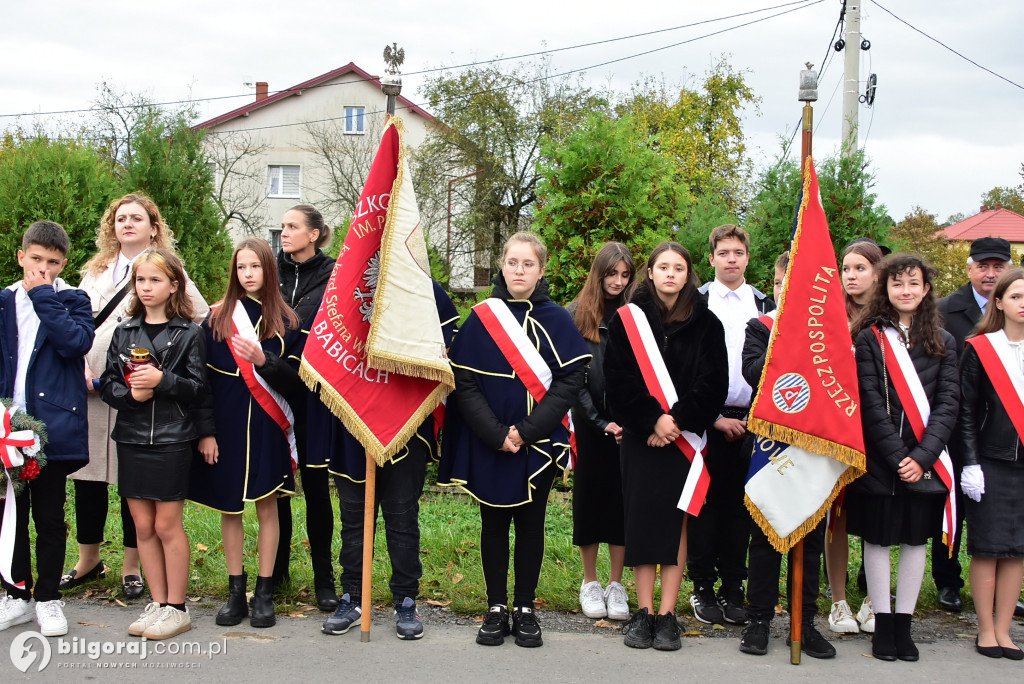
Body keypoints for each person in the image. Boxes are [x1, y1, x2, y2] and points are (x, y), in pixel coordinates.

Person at [439, 231, 590, 648]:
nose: (519, 270)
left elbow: (570, 380)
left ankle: (524, 607)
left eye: (528, 264)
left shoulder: (557, 318)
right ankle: (495, 606)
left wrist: (525, 432)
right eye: (512, 262)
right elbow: (462, 381)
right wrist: (495, 434)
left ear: (541, 270)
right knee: (492, 523)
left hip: (536, 442)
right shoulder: (481, 317)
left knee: (530, 523)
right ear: (501, 266)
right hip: (489, 439)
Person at [65, 194, 208, 600]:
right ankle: (87, 559)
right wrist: (81, 365)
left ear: (153, 226)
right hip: (94, 384)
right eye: (120, 218)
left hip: (151, 395)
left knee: (137, 487)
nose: (127, 224)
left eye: (136, 218)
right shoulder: (94, 271)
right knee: (88, 476)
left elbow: (197, 316)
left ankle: (132, 566)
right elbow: (75, 321)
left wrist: (162, 372)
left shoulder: (163, 267)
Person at [606, 241, 728, 651]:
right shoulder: (628, 320)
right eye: (663, 267)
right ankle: (643, 613)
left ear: (688, 273)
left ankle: (668, 614)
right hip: (642, 440)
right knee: (642, 522)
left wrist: (674, 421)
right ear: (651, 272)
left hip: (684, 439)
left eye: (679, 267)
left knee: (676, 524)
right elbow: (618, 382)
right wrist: (650, 420)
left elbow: (714, 386)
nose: (671, 273)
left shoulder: (708, 323)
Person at [321, 281, 459, 640]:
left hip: (406, 424)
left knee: (401, 517)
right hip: (356, 421)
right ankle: (352, 597)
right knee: (353, 520)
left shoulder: (423, 287)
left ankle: (406, 600)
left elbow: (448, 348)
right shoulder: (347, 282)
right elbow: (328, 348)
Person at [847, 253, 959, 662]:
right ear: (885, 289)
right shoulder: (868, 338)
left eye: (913, 283)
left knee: (915, 543)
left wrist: (924, 456)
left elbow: (949, 404)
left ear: (926, 289)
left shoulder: (943, 342)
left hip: (926, 462)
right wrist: (898, 457)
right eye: (897, 284)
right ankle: (882, 625)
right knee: (876, 541)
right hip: (881, 462)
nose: (905, 290)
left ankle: (904, 627)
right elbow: (870, 404)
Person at [189, 238, 303, 629]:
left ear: (268, 270)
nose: (248, 274)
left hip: (269, 430)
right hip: (227, 428)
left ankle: (265, 590)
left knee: (268, 507)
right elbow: (201, 384)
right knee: (230, 508)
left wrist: (264, 361)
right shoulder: (217, 319)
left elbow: (297, 386)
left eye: (255, 267)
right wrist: (205, 432)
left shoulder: (287, 322)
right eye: (241, 268)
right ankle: (236, 590)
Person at [100, 250, 207, 640]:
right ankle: (158, 603)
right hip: (130, 438)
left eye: (155, 280)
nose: (146, 288)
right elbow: (108, 383)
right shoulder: (124, 331)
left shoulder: (189, 332)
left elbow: (197, 387)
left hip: (171, 439)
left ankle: (178, 608)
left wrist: (162, 381)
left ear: (174, 285)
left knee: (166, 524)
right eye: (141, 280)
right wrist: (131, 397)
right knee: (141, 525)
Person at [737, 252, 835, 659]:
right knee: (765, 537)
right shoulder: (760, 327)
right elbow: (753, 372)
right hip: (769, 448)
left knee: (808, 541)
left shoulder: (828, 334)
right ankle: (758, 619)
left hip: (813, 448)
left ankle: (804, 621)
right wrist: (789, 337)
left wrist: (807, 336)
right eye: (781, 284)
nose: (786, 291)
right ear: (775, 286)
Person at [0, 221, 94, 637]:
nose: (42, 269)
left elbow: (74, 343)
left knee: (50, 517)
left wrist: (43, 296)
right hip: (7, 425)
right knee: (9, 516)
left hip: (50, 427)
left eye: (52, 263)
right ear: (20, 256)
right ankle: (16, 593)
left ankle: (49, 598)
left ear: (63, 264)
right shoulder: (3, 302)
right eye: (35, 260)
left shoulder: (72, 299)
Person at [688, 224, 774, 625]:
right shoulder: (696, 300)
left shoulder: (764, 304)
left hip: (753, 420)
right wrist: (714, 418)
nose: (731, 259)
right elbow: (685, 367)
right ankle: (702, 587)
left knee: (742, 509)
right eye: (723, 253)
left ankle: (733, 588)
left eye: (738, 252)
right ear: (711, 258)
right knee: (704, 507)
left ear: (748, 257)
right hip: (708, 420)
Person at [934, 236, 1012, 613]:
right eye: (984, 265)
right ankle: (947, 582)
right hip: (950, 426)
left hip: (1000, 431)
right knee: (951, 510)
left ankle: (1001, 590)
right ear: (969, 268)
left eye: (999, 266)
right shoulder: (945, 310)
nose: (991, 273)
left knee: (1000, 513)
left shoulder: (1017, 310)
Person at [271, 205, 338, 611]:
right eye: (283, 227)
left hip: (313, 395)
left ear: (314, 234)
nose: (285, 233)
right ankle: (275, 572)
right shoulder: (269, 273)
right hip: (273, 392)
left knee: (315, 490)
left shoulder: (334, 275)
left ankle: (324, 580)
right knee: (277, 489)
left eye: (293, 227)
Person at [958, 267, 1024, 660]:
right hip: (991, 462)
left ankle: (1005, 630)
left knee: (1017, 550)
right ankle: (985, 629)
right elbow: (966, 411)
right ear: (998, 302)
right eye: (1016, 296)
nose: (1023, 303)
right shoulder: (981, 348)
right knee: (988, 549)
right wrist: (970, 463)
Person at [567, 242, 635, 621]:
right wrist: (598, 421)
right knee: (590, 503)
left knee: (622, 505)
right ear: (599, 273)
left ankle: (616, 585)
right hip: (592, 428)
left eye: (625, 275)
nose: (618, 281)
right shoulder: (576, 315)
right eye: (612, 274)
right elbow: (573, 378)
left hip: (629, 428)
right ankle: (590, 582)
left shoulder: (637, 313)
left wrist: (630, 420)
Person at [828, 237, 885, 635]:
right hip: (837, 431)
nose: (850, 276)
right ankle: (837, 601)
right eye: (846, 268)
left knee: (874, 518)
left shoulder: (889, 317)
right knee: (839, 518)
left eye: (860, 268)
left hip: (877, 432)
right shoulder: (827, 315)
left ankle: (873, 599)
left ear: (878, 272)